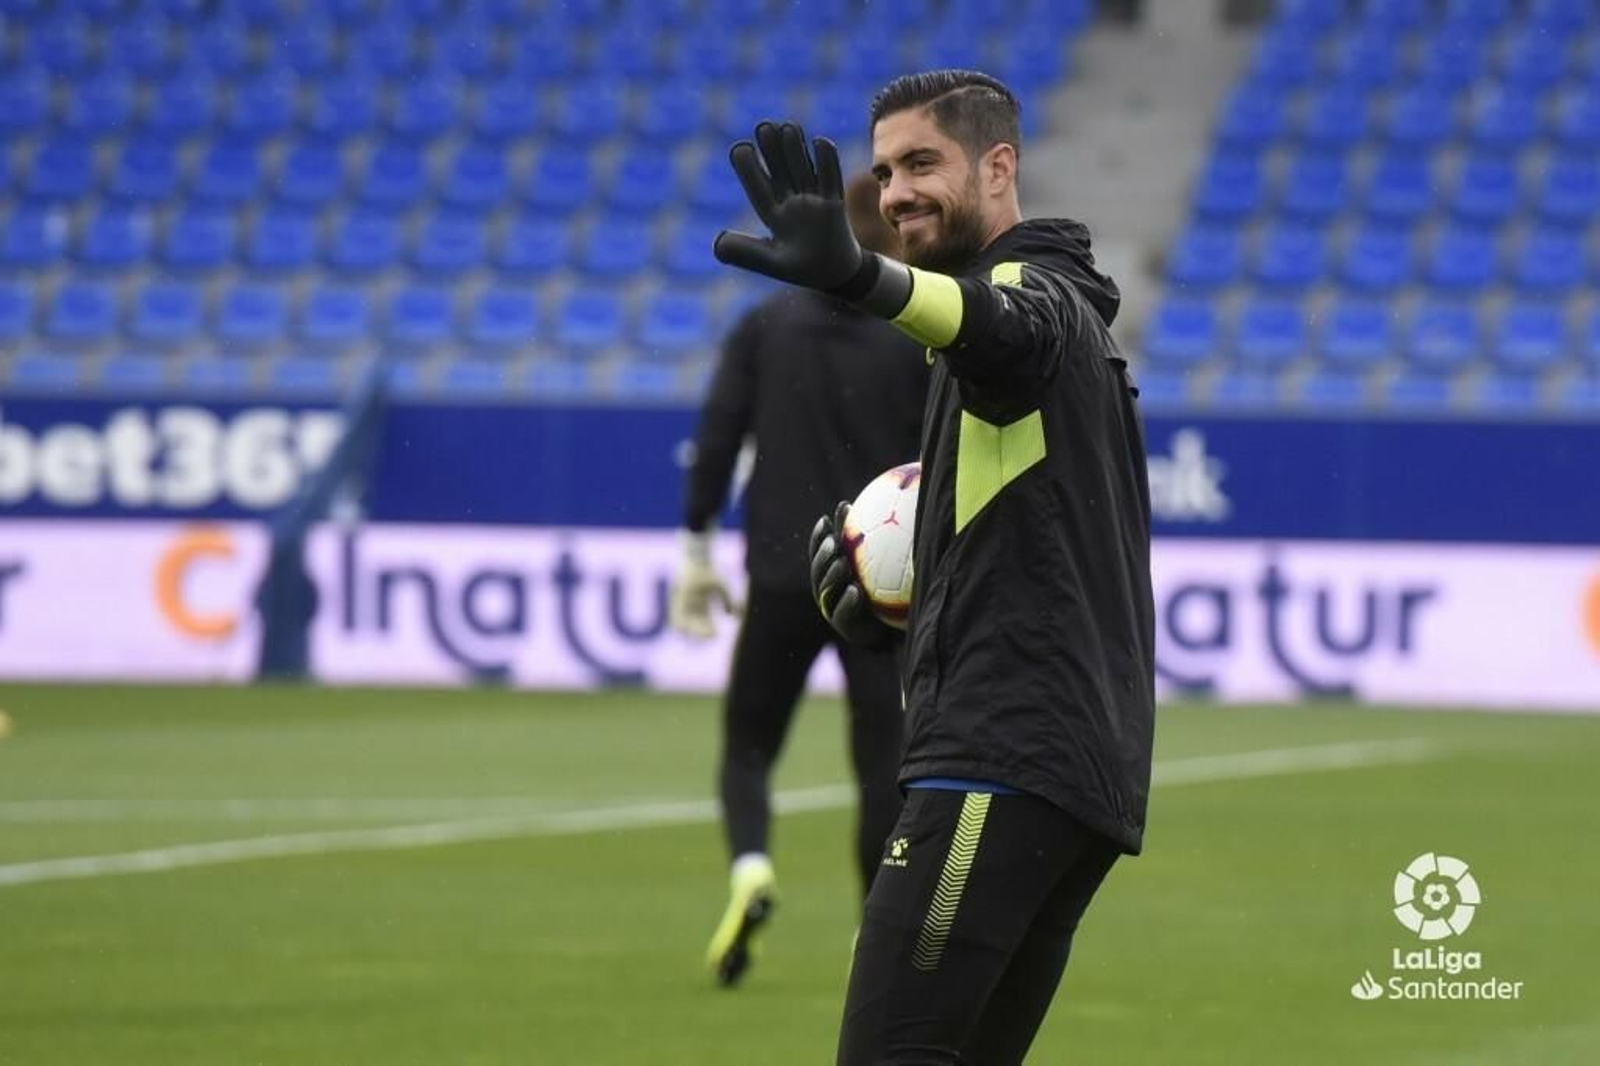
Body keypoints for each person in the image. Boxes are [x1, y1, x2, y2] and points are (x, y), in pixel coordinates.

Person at [711, 71, 1156, 1064]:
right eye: (882, 172)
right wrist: (907, 599)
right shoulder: (1067, 318)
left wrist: (858, 280)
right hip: (1061, 773)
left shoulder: (1023, 301)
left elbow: (999, 327)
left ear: (999, 166)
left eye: (922, 163)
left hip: (995, 766)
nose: (895, 191)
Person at [671, 173, 929, 988]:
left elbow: (716, 439)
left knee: (747, 748)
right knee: (880, 765)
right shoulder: (910, 335)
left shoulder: (764, 326)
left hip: (785, 574)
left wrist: (696, 547)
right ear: (882, 238)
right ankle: (871, 931)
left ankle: (751, 863)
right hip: (878, 591)